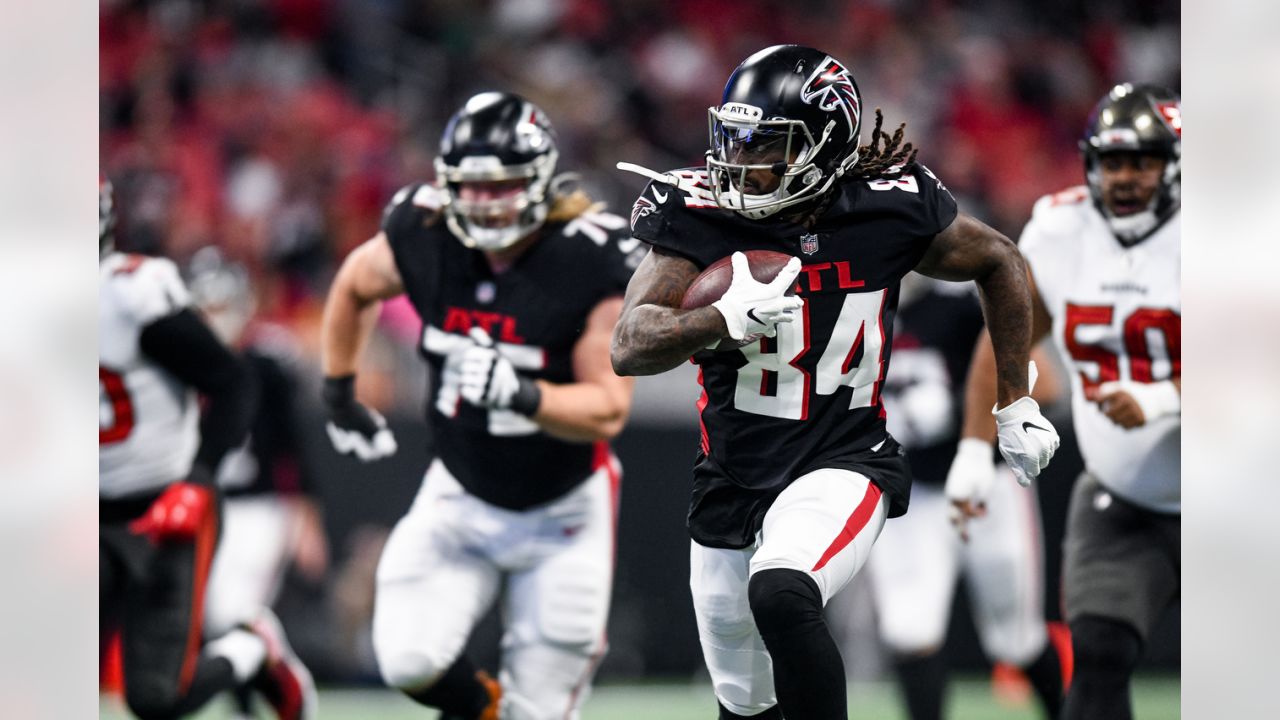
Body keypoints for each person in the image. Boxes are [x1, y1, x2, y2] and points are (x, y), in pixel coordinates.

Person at [610, 44, 1060, 720]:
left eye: (765, 145)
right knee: (743, 697)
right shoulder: (698, 213)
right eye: (734, 139)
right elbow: (628, 344)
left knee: (782, 591)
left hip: (843, 459)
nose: (741, 163)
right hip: (731, 475)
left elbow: (999, 259)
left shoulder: (887, 207)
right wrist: (715, 320)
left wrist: (1013, 397)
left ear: (826, 145)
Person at [320, 91, 640, 720]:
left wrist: (520, 393)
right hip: (459, 498)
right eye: (472, 187)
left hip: (563, 516)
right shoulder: (428, 233)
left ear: (543, 179)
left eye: (505, 186)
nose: (487, 204)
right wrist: (338, 388)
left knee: (540, 713)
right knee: (408, 660)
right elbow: (355, 283)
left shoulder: (589, 257)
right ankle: (479, 708)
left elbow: (608, 408)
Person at [948, 83, 1181, 720]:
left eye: (1143, 161)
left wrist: (1164, 398)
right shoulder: (1060, 227)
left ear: (1177, 164)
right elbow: (1009, 338)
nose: (1126, 177)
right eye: (1113, 161)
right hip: (1123, 496)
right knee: (1097, 653)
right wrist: (974, 448)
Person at [98, 174, 316, 720]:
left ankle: (253, 648)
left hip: (164, 505)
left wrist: (197, 478)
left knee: (156, 697)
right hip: (85, 512)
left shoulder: (130, 297)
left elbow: (233, 381)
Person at [863, 274, 1066, 720]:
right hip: (905, 496)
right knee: (909, 628)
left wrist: (960, 408)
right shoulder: (846, 308)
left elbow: (1046, 385)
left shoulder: (960, 307)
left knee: (1016, 638)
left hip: (985, 490)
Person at [186, 247, 329, 720]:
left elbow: (294, 441)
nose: (214, 319)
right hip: (209, 503)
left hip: (261, 506)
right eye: (204, 308)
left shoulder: (266, 359)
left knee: (236, 611)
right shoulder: (178, 361)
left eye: (221, 307)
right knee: (214, 619)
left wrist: (307, 512)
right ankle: (253, 703)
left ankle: (279, 683)